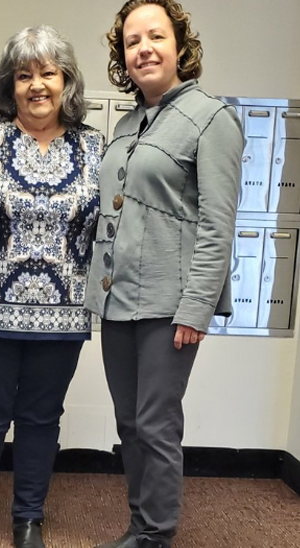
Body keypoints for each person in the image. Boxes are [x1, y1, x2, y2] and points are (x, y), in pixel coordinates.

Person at [0, 25, 104, 548]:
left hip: (63, 312)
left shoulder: (95, 146)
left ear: (66, 82)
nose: (36, 85)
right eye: (24, 74)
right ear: (10, 84)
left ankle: (29, 518)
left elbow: (114, 225)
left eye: (48, 73)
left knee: (40, 418)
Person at [85, 2, 243, 548]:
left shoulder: (211, 118)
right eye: (132, 41)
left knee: (155, 424)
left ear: (180, 46)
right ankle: (140, 522)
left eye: (156, 36)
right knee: (128, 423)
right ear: (122, 56)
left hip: (168, 304)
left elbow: (219, 224)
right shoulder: (129, 125)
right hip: (116, 300)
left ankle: (155, 534)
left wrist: (197, 308)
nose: (144, 49)